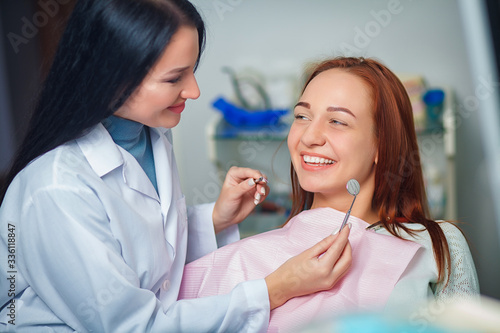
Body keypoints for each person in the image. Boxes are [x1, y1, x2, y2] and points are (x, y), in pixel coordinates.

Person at [0, 1, 352, 332]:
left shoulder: (151, 137)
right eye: (174, 78)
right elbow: (135, 325)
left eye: (192, 71)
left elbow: (143, 251)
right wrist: (277, 287)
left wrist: (216, 218)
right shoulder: (56, 189)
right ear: (110, 77)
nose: (195, 91)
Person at [178, 57, 480, 330]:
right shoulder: (248, 259)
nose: (309, 137)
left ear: (381, 144)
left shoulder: (436, 244)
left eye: (337, 121)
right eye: (301, 117)